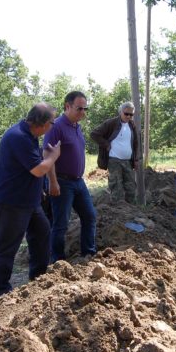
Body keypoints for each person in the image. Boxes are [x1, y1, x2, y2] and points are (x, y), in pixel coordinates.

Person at [0, 103, 61, 297]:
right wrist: (53, 156)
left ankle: (38, 279)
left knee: (42, 233)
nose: (53, 126)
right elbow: (38, 170)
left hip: (28, 201)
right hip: (11, 200)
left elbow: (31, 168)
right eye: (52, 122)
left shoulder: (30, 135)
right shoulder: (18, 137)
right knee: (7, 245)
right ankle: (2, 291)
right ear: (44, 123)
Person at [43, 91, 97, 262]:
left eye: (85, 108)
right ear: (67, 106)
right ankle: (57, 261)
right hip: (62, 182)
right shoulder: (56, 127)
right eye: (79, 108)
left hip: (78, 182)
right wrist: (52, 182)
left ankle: (88, 253)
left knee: (90, 216)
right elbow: (47, 156)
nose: (83, 112)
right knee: (60, 224)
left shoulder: (77, 126)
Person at [90, 101, 140, 203]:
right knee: (117, 188)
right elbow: (94, 134)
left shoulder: (132, 125)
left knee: (131, 188)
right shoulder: (111, 123)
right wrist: (106, 144)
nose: (128, 116)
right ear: (120, 112)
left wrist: (136, 159)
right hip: (114, 161)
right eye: (126, 114)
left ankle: (130, 211)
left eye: (131, 114)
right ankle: (118, 213)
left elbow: (135, 143)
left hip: (128, 162)